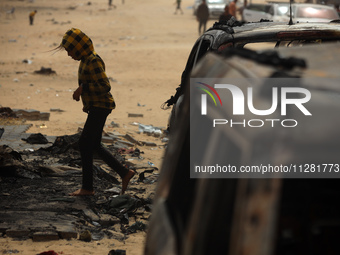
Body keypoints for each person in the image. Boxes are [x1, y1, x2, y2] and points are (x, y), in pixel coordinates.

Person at [58, 28, 135, 196]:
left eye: (69, 50)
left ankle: (87, 188)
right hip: (97, 107)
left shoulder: (93, 61)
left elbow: (105, 86)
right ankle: (124, 173)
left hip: (101, 107)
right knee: (93, 144)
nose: (68, 54)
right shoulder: (85, 60)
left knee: (85, 143)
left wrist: (83, 88)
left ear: (78, 47)